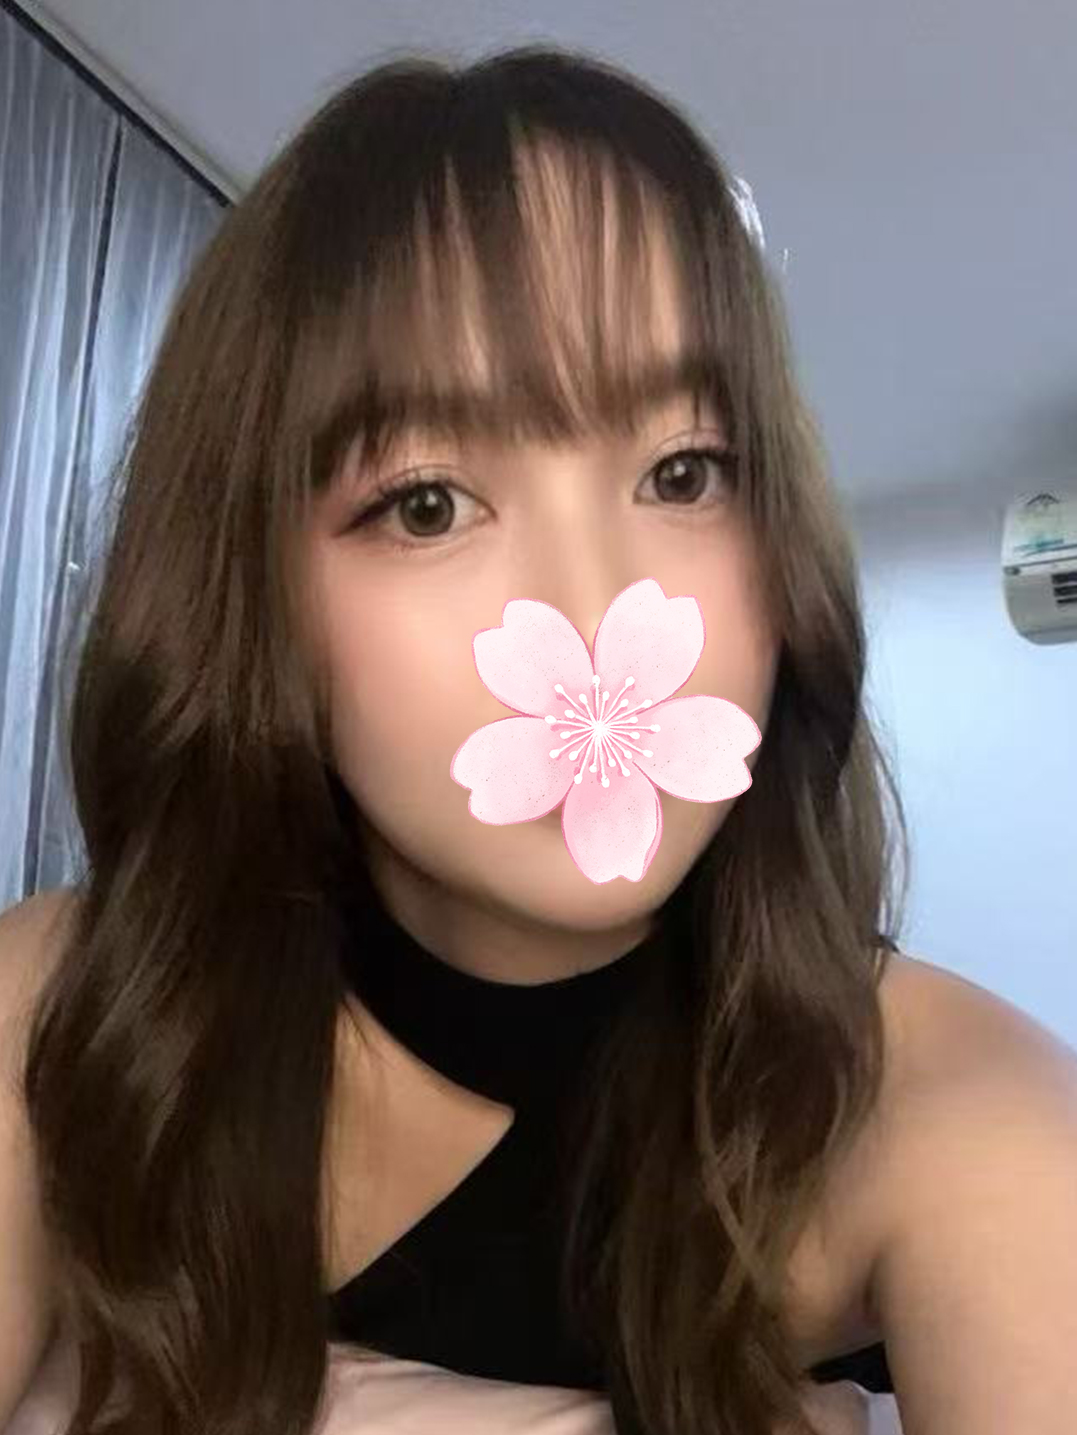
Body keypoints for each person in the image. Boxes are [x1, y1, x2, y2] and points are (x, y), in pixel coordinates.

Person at [3, 42, 1076, 1435]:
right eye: (428, 504)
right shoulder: (62, 1014)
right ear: (249, 595)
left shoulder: (958, 1115)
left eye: (682, 473)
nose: (594, 610)